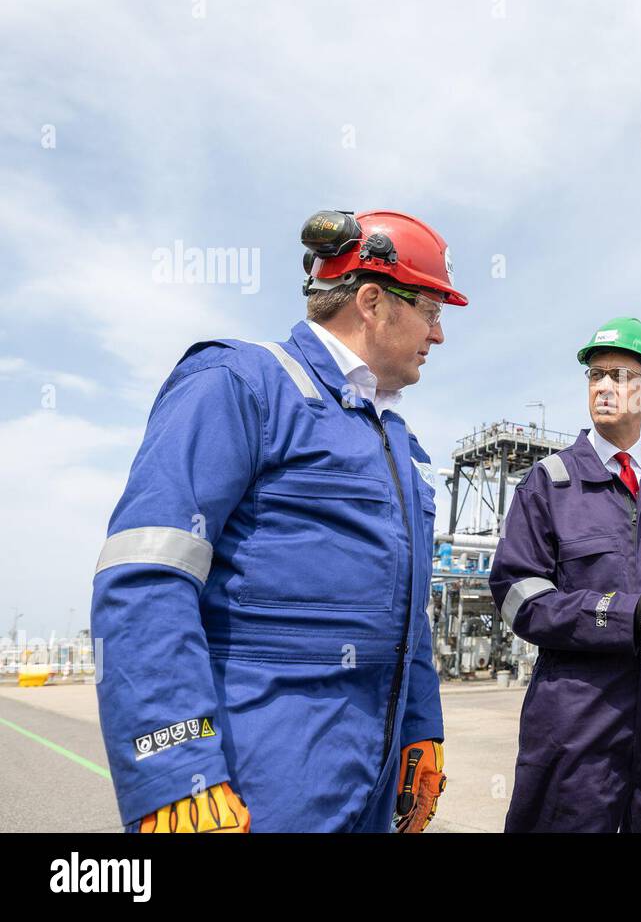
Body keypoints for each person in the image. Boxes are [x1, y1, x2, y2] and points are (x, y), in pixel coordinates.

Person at [92, 209, 461, 832]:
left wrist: (422, 731)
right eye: (431, 310)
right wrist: (174, 768)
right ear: (373, 302)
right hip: (261, 778)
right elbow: (147, 573)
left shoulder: (398, 443)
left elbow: (410, 616)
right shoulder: (240, 384)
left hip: (370, 784)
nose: (440, 333)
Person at [489, 317, 641, 832]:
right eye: (596, 375)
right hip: (578, 716)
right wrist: (629, 615)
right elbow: (518, 595)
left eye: (620, 376)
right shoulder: (550, 482)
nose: (603, 387)